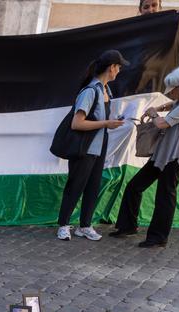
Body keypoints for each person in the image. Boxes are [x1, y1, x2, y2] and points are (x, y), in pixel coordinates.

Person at [111, 63, 179, 247]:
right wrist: (162, 106)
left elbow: (162, 124)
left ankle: (158, 238)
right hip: (164, 152)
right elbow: (175, 103)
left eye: (174, 89)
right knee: (135, 187)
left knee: (165, 196)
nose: (172, 93)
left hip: (175, 155)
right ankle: (127, 226)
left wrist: (154, 114)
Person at [55, 49, 128, 242]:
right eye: (119, 67)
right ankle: (63, 225)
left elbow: (98, 118)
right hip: (84, 148)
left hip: (99, 147)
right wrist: (106, 123)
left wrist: (112, 121)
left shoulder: (106, 91)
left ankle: (85, 226)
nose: (119, 71)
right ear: (112, 67)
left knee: (93, 187)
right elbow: (77, 123)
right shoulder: (90, 91)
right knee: (75, 186)